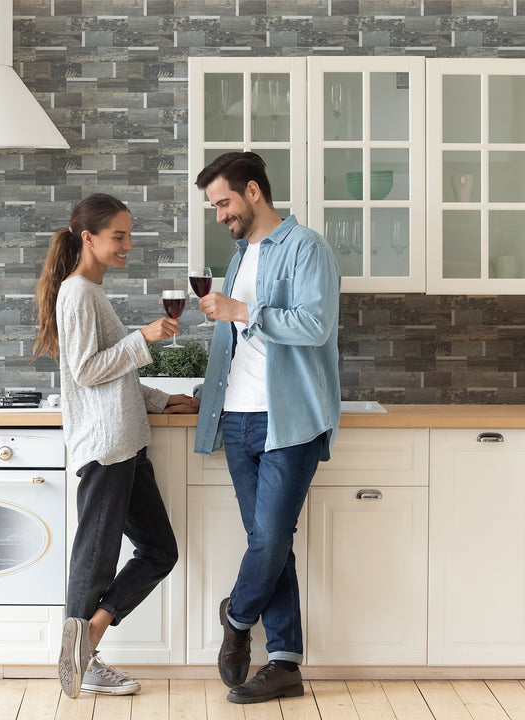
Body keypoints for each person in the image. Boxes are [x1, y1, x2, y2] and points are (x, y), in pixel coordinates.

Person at [33, 193, 199, 700]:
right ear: (89, 238)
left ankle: (90, 637)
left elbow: (111, 377)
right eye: (118, 236)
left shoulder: (90, 292)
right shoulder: (78, 292)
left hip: (126, 443)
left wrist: (163, 397)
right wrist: (144, 337)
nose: (127, 245)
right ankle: (80, 655)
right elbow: (86, 371)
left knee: (159, 550)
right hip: (106, 447)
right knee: (96, 556)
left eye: (129, 234)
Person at [193, 152, 341, 704]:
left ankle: (237, 615)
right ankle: (284, 663)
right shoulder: (239, 255)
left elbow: (315, 323)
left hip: (289, 417)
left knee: (273, 536)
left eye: (224, 202)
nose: (219, 215)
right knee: (268, 542)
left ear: (254, 191)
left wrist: (240, 311)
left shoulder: (307, 248)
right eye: (214, 206)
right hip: (237, 417)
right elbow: (238, 341)